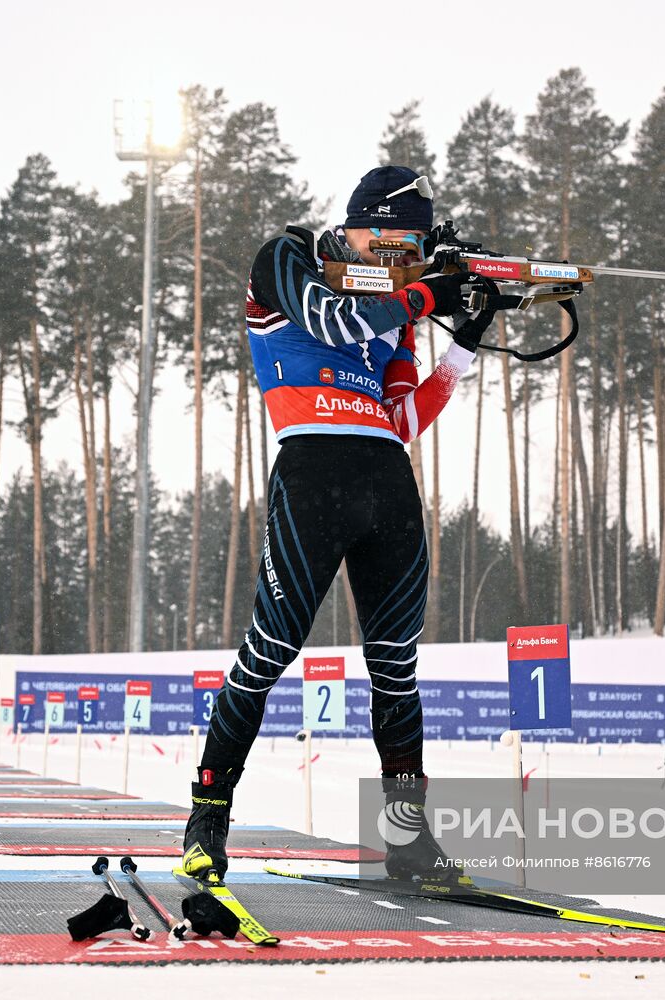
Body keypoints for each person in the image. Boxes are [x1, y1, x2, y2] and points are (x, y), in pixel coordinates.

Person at [180, 166, 510, 885]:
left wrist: (468, 334)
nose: (401, 262)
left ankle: (408, 842)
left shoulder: (394, 309)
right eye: (394, 245)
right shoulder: (287, 257)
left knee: (396, 670)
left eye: (414, 249)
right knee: (270, 651)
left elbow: (403, 417)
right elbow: (331, 320)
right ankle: (205, 823)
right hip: (312, 472)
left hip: (387, 481)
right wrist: (425, 293)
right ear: (359, 225)